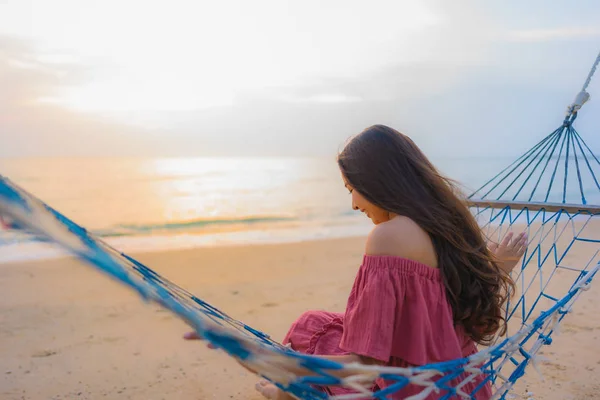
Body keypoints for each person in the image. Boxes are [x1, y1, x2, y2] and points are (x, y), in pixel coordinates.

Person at [185, 125, 527, 399]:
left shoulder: (389, 237)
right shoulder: (448, 224)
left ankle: (286, 394)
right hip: (462, 383)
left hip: (412, 390)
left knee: (312, 344)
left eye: (352, 188)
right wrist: (497, 268)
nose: (353, 204)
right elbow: (464, 321)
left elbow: (365, 366)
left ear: (377, 183)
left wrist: (264, 357)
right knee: (316, 324)